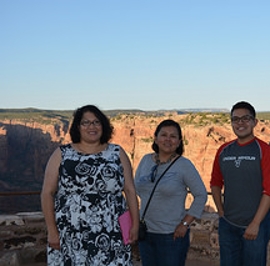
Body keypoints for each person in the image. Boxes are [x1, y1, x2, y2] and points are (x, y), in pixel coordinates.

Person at [41, 105, 140, 265]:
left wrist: (135, 225)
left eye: (96, 122)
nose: (91, 127)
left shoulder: (117, 153)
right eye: (85, 123)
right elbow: (47, 193)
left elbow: (129, 190)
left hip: (111, 230)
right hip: (71, 231)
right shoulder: (62, 154)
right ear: (77, 127)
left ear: (103, 125)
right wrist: (52, 231)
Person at [210, 101, 270, 266]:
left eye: (245, 118)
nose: (240, 123)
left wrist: (255, 223)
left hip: (257, 225)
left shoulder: (264, 150)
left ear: (254, 122)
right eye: (236, 119)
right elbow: (215, 183)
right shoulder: (223, 150)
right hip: (228, 224)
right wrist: (221, 212)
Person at [134, 119, 207, 266]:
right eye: (164, 135)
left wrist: (185, 224)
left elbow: (201, 195)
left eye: (173, 136)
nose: (168, 139)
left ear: (179, 142)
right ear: (156, 138)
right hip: (145, 233)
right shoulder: (146, 160)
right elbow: (136, 189)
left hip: (171, 235)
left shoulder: (184, 165)